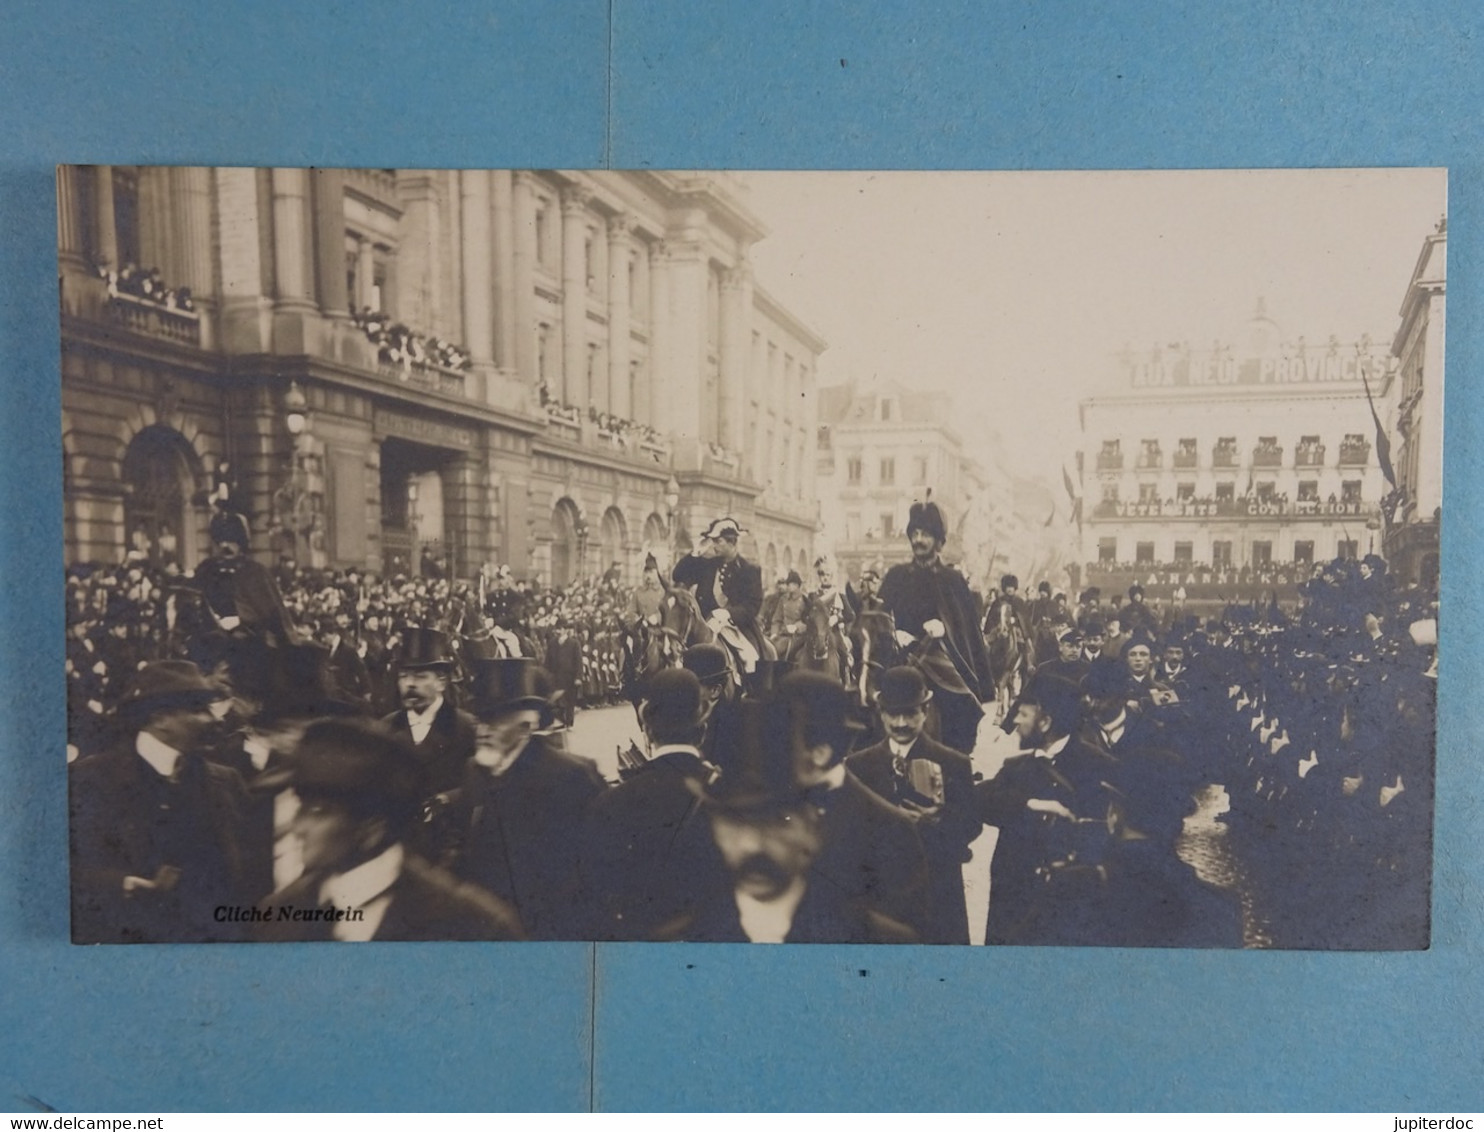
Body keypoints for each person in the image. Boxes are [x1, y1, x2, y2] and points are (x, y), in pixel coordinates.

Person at [256, 718, 524, 941]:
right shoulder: (277, 914)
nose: (297, 826)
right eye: (301, 806)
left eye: (317, 812)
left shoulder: (474, 927)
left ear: (372, 828)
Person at [70, 660, 256, 943]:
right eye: (198, 709)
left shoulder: (227, 782)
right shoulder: (90, 779)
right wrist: (119, 884)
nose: (214, 719)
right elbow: (61, 869)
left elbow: (250, 874)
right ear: (160, 719)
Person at [424, 658, 608, 940]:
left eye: (495, 720)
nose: (483, 729)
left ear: (525, 727)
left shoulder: (572, 777)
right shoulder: (474, 771)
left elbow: (593, 870)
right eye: (480, 718)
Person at [583, 667, 721, 940]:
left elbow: (597, 897)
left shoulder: (612, 803)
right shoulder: (727, 795)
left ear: (647, 730)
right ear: (702, 729)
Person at [976, 673, 1115, 946]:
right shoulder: (1018, 765)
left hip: (1066, 904)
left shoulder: (1097, 765)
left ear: (1046, 721)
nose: (1015, 722)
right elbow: (980, 800)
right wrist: (1029, 804)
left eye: (1023, 715)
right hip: (1013, 902)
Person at [846, 666, 980, 944]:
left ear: (926, 710)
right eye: (893, 714)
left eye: (910, 714)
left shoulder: (954, 763)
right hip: (881, 895)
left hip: (937, 892)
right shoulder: (858, 766)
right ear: (881, 713)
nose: (901, 723)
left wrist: (938, 820)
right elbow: (848, 831)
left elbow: (972, 825)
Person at [877, 499, 994, 753]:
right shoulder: (896, 576)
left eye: (926, 534)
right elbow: (878, 616)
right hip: (900, 654)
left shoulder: (953, 580)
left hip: (940, 655)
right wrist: (893, 632)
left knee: (960, 702)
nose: (918, 540)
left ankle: (957, 758)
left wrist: (945, 629)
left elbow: (967, 628)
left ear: (938, 540)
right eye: (915, 534)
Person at [381, 626, 476, 797]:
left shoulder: (465, 728)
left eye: (420, 676)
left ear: (441, 682)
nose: (410, 684)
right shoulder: (386, 727)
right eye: (404, 676)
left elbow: (479, 789)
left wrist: (450, 799)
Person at [671, 517, 768, 676]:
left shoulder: (749, 569)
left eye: (718, 541)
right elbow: (678, 576)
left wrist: (729, 613)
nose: (714, 545)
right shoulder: (707, 564)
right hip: (705, 624)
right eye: (713, 541)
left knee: (751, 658)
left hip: (737, 626)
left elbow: (753, 606)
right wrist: (695, 553)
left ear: (732, 542)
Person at [193, 508, 296, 646]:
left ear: (241, 543)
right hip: (211, 643)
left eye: (231, 540)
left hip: (251, 644)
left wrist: (241, 620)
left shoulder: (255, 572)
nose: (224, 545)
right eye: (220, 541)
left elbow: (273, 616)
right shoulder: (206, 570)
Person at [766, 570, 809, 660]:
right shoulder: (784, 599)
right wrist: (774, 633)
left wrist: (796, 627)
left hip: (798, 637)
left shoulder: (805, 600)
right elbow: (777, 619)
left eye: (791, 584)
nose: (788, 586)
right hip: (782, 634)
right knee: (767, 648)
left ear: (797, 585)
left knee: (781, 649)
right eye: (788, 584)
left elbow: (808, 621)